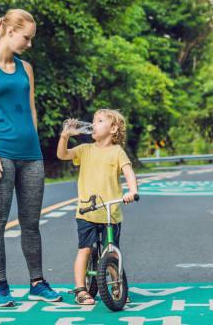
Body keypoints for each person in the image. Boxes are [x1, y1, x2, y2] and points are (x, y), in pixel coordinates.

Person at [0, 9, 61, 307]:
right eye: (27, 37)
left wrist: (33, 141)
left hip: (31, 155)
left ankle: (37, 282)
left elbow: (31, 108)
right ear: (10, 32)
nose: (29, 44)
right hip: (1, 154)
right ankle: (1, 286)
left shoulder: (27, 68)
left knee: (31, 222)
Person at [57, 109, 139, 305]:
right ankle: (81, 289)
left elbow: (129, 172)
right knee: (84, 250)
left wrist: (132, 191)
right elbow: (62, 154)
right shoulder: (85, 149)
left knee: (110, 252)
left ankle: (117, 284)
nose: (94, 123)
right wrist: (65, 135)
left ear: (113, 129)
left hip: (111, 213)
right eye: (93, 120)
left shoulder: (117, 152)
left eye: (100, 121)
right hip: (87, 211)